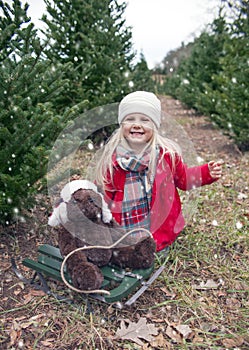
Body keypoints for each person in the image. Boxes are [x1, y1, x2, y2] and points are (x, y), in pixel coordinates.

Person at [94, 91, 223, 252]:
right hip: (124, 229)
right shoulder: (113, 161)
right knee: (124, 254)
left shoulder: (166, 156)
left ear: (154, 126)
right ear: (122, 125)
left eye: (144, 120)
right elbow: (103, 192)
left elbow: (184, 179)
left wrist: (205, 173)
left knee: (154, 253)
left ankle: (157, 244)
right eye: (130, 119)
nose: (137, 124)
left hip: (159, 230)